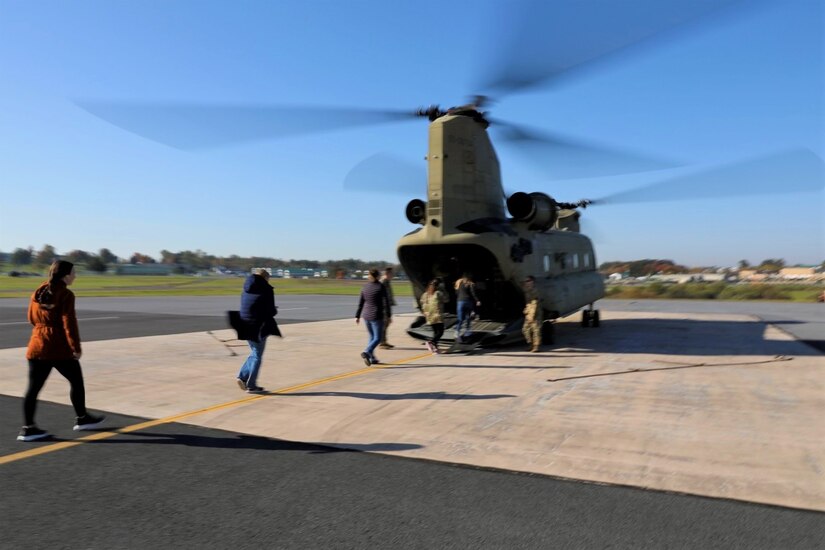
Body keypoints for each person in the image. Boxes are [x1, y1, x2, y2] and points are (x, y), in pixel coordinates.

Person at [18, 260, 105, 441]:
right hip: (57, 347)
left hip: (36, 345)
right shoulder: (66, 294)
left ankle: (28, 428)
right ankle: (82, 418)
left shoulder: (39, 291)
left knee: (33, 389)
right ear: (66, 276)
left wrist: (42, 328)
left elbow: (31, 318)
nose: (75, 276)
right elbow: (69, 323)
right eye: (74, 272)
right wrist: (76, 347)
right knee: (76, 381)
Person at [236, 268, 278, 393]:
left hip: (243, 323)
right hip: (258, 325)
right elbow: (271, 311)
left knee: (254, 352)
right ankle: (251, 385)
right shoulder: (267, 289)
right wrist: (274, 310)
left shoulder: (246, 288)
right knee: (257, 355)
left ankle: (242, 377)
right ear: (265, 278)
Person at [355, 269, 391, 366]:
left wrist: (357, 316)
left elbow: (361, 303)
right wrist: (389, 315)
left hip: (366, 316)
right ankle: (367, 351)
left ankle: (372, 358)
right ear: (378, 276)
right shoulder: (381, 286)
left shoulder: (365, 286)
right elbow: (386, 302)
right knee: (378, 338)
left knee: (372, 337)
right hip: (376, 316)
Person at [420, 278, 448, 354]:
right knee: (440, 332)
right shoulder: (438, 293)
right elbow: (446, 299)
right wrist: (444, 289)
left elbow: (422, 302)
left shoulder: (426, 294)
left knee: (435, 332)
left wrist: (424, 311)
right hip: (437, 315)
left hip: (429, 315)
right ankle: (431, 342)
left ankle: (435, 347)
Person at [454, 274, 480, 342]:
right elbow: (473, 293)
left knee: (460, 318)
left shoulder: (458, 283)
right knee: (468, 317)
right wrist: (477, 300)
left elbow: (456, 293)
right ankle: (467, 331)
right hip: (468, 302)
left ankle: (457, 332)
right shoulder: (470, 284)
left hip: (460, 302)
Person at [522, 275, 543, 352]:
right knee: (525, 329)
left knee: (536, 330)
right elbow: (527, 302)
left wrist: (532, 315)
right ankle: (530, 344)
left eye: (528, 281)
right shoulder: (526, 290)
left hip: (535, 312)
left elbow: (535, 304)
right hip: (529, 311)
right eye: (525, 281)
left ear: (532, 282)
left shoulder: (535, 291)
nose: (526, 282)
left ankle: (536, 346)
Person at [378, 267, 397, 350]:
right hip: (384, 307)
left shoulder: (386, 281)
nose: (392, 275)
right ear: (387, 273)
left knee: (386, 324)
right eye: (391, 273)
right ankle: (382, 342)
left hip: (387, 305)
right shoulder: (383, 282)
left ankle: (384, 341)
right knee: (384, 324)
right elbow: (382, 296)